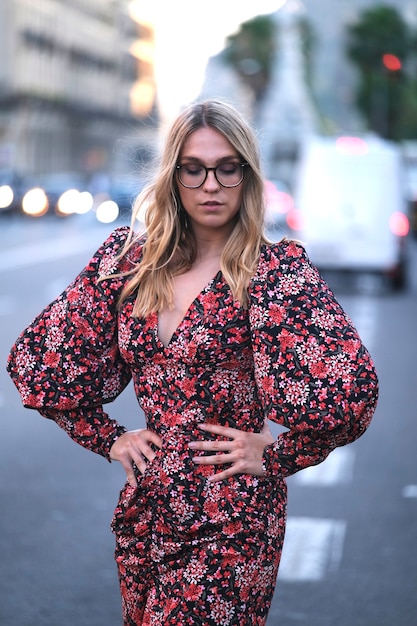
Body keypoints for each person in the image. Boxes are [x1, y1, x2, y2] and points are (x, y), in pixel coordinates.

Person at [7, 99, 379, 626]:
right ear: (173, 176)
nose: (210, 184)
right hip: (148, 506)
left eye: (228, 168)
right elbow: (41, 362)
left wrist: (276, 456)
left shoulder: (274, 272)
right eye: (194, 168)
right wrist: (108, 437)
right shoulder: (128, 263)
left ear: (247, 177)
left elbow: (349, 392)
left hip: (234, 518)